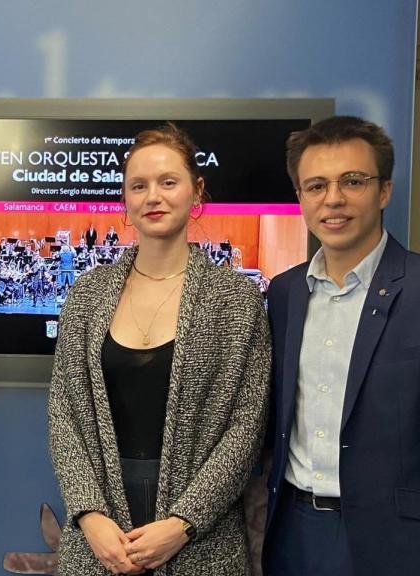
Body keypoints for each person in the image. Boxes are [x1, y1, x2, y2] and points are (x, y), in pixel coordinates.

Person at [48, 124, 270, 575]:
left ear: (196, 191)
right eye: (139, 185)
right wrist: (90, 516)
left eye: (168, 182)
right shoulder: (88, 294)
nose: (154, 196)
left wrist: (183, 523)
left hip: (201, 537)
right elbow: (63, 412)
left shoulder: (235, 299)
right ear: (125, 201)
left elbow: (247, 426)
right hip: (100, 532)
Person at [263, 116, 420, 576]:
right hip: (294, 537)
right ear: (300, 198)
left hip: (404, 546)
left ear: (384, 191)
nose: (333, 199)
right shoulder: (283, 293)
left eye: (352, 181)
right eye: (315, 185)